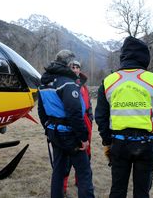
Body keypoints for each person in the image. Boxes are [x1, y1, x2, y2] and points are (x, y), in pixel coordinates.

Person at [95, 36, 153, 198]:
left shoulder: (108, 81)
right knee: (142, 192)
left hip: (118, 143)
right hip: (147, 144)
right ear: (145, 57)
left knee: (117, 190)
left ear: (123, 56)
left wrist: (107, 141)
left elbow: (101, 116)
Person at [38, 50, 95, 198]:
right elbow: (75, 113)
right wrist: (83, 138)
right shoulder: (66, 83)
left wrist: (48, 128)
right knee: (84, 172)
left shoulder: (44, 82)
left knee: (58, 170)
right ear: (68, 63)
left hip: (54, 132)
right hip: (69, 134)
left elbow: (41, 110)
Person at [63, 60, 93, 195]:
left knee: (86, 154)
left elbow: (89, 105)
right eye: (72, 67)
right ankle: (62, 187)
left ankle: (79, 181)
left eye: (77, 67)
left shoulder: (84, 86)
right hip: (71, 123)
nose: (75, 69)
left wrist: (90, 118)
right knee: (68, 158)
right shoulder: (65, 84)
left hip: (86, 123)